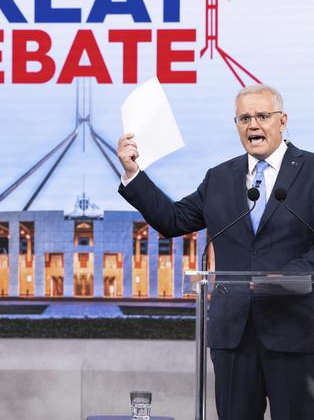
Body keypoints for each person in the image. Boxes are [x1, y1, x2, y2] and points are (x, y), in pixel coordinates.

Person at [116, 84, 314, 419]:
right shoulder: (220, 178)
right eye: (244, 118)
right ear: (236, 125)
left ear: (282, 121)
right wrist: (134, 173)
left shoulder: (311, 172)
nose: (253, 125)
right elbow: (173, 220)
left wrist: (288, 277)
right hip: (233, 335)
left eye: (262, 116)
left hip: (294, 332)